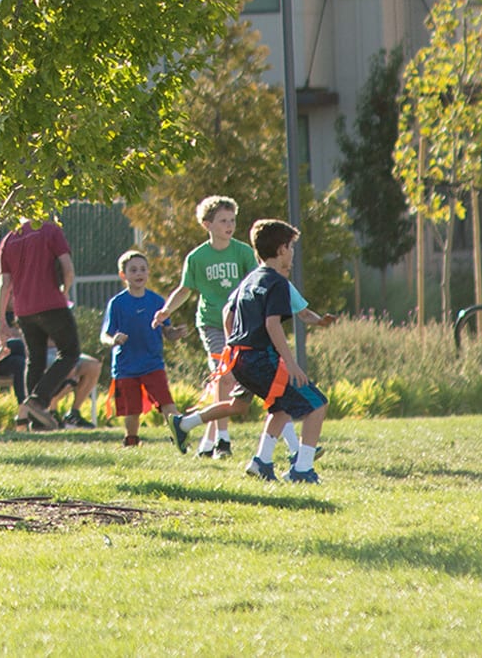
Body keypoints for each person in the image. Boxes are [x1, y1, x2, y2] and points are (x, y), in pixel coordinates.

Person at [170, 218, 325, 484]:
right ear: (281, 250)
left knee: (279, 406)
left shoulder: (250, 279)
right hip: (262, 358)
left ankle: (261, 462)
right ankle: (302, 470)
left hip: (241, 358)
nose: (292, 253)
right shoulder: (277, 282)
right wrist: (291, 363)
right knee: (317, 405)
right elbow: (272, 324)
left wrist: (232, 345)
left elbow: (227, 314)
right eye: (290, 247)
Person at [156, 194, 248, 458]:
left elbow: (254, 283)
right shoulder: (197, 257)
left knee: (227, 382)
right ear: (207, 224)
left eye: (232, 220)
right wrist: (166, 310)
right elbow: (185, 289)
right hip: (212, 324)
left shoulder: (243, 252)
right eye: (223, 221)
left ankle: (206, 445)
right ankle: (222, 441)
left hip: (239, 324)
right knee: (223, 375)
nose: (229, 226)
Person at [0, 212, 78, 430]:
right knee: (69, 353)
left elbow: (4, 284)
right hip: (52, 304)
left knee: (35, 360)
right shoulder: (50, 230)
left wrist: (0, 320)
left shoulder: (9, 239)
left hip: (24, 310)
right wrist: (64, 291)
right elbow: (68, 269)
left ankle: (36, 421)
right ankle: (38, 400)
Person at [99, 249, 171, 447]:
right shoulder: (117, 303)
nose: (139, 274)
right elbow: (104, 335)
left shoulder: (157, 301)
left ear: (148, 272)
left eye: (142, 269)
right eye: (133, 270)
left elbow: (167, 330)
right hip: (126, 366)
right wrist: (114, 340)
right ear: (123, 275)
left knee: (166, 402)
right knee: (132, 410)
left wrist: (175, 333)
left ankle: (179, 436)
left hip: (152, 363)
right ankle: (131, 441)